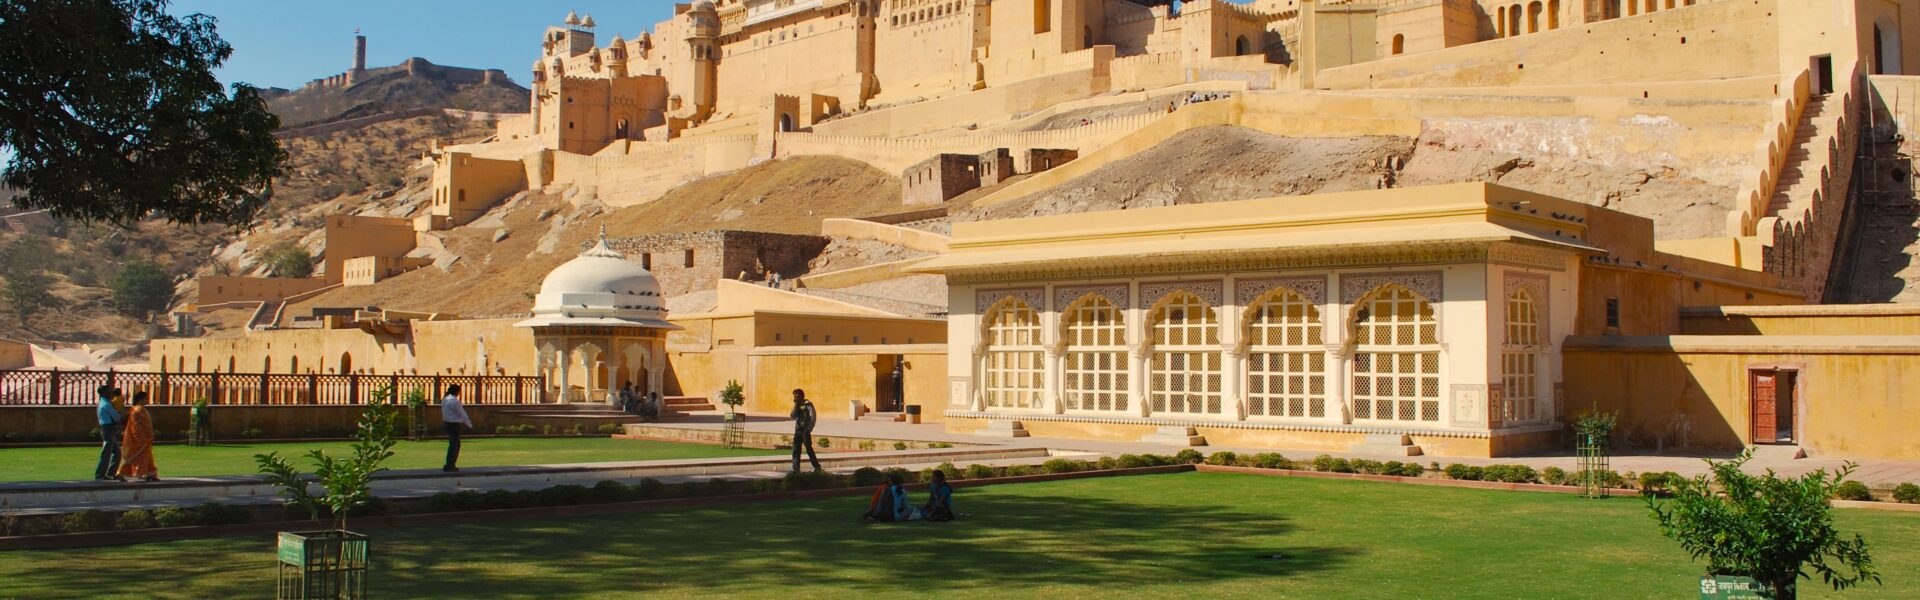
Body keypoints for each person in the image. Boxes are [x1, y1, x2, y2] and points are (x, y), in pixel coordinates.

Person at [117, 391, 159, 482]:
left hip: (138, 437)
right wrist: (149, 434)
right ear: (140, 399)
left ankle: (150, 474)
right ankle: (121, 473)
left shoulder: (134, 409)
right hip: (141, 439)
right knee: (136, 456)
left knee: (146, 456)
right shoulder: (139, 410)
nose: (146, 400)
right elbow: (143, 425)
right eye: (145, 399)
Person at [93, 386, 124, 481]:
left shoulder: (104, 403)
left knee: (117, 453)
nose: (111, 393)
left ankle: (111, 473)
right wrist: (121, 414)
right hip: (108, 429)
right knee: (106, 453)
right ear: (104, 393)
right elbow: (116, 417)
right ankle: (100, 475)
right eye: (109, 391)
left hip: (108, 429)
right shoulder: (106, 405)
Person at [441, 384, 472, 472]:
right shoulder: (454, 401)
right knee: (455, 444)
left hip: (447, 423)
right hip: (454, 424)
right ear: (457, 391)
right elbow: (462, 414)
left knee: (453, 443)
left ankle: (450, 463)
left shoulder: (445, 399)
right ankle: (450, 464)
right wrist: (469, 425)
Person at [789, 388, 821, 472]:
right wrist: (795, 405)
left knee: (808, 449)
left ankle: (817, 466)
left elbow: (813, 417)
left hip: (805, 430)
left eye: (797, 395)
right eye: (795, 395)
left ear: (802, 396)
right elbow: (792, 416)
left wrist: (809, 429)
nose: (796, 397)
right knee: (796, 449)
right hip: (798, 430)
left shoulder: (808, 405)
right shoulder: (797, 405)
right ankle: (796, 468)